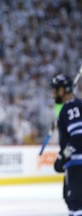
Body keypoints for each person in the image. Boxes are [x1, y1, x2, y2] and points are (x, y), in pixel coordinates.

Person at [50, 73, 82, 216]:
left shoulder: (70, 108)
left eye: (54, 90)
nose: (53, 93)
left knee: (76, 207)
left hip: (77, 168)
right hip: (75, 168)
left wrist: (62, 157)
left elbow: (78, 137)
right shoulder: (76, 105)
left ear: (62, 91)